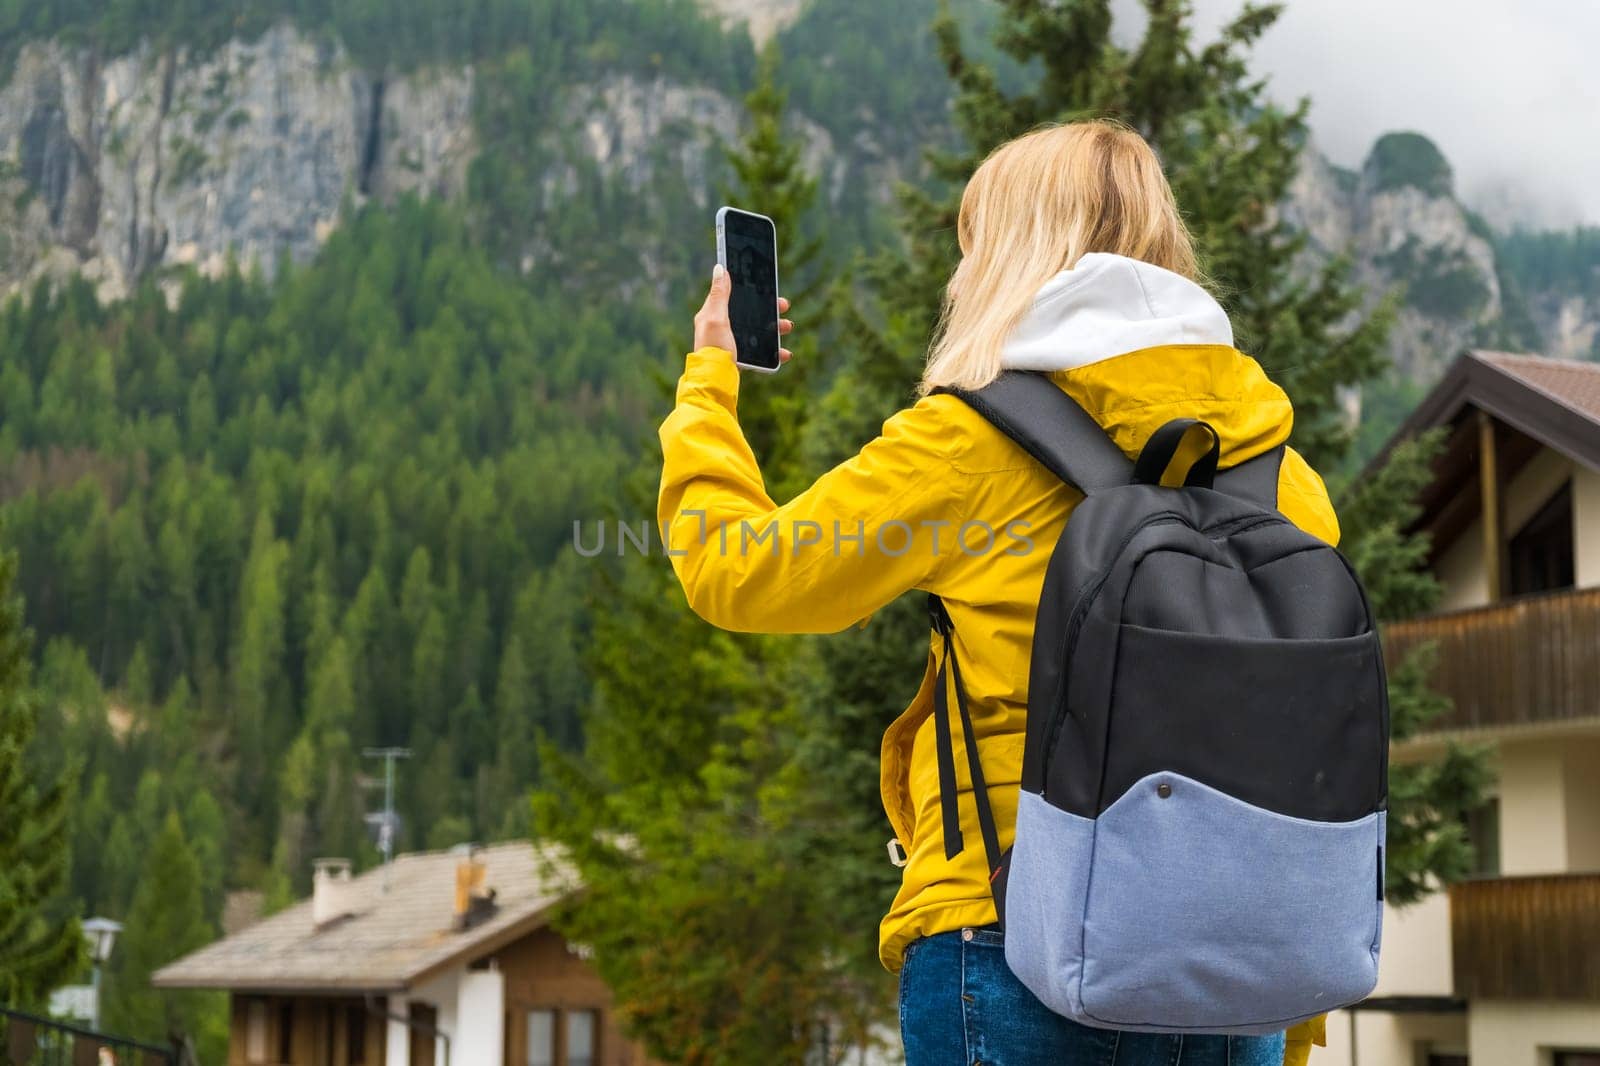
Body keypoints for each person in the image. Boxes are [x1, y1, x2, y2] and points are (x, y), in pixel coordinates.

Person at [658, 121, 1335, 1066]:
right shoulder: (1285, 474)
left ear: (1015, 257)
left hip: (1014, 930)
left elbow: (739, 571)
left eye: (972, 248)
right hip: (1237, 957)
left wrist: (708, 387)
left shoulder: (969, 445)